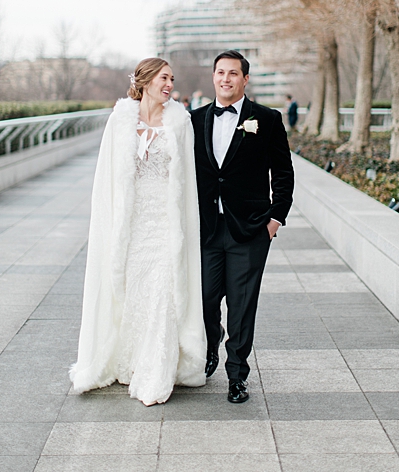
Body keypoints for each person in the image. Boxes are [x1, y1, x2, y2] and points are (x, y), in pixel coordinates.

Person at [70, 58, 206, 406]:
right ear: (145, 80)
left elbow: (187, 180)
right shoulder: (120, 121)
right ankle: (129, 361)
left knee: (163, 290)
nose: (169, 85)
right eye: (164, 78)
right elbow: (107, 178)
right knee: (134, 292)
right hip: (132, 223)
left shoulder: (180, 122)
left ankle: (157, 371)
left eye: (172, 79)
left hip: (165, 222)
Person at [190, 51, 294, 404]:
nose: (226, 79)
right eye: (220, 72)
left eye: (233, 73)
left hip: (249, 230)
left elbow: (283, 174)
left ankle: (237, 375)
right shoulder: (193, 120)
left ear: (245, 79)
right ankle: (210, 345)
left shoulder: (266, 119)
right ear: (214, 77)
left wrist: (274, 219)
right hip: (205, 230)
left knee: (242, 304)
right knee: (204, 300)